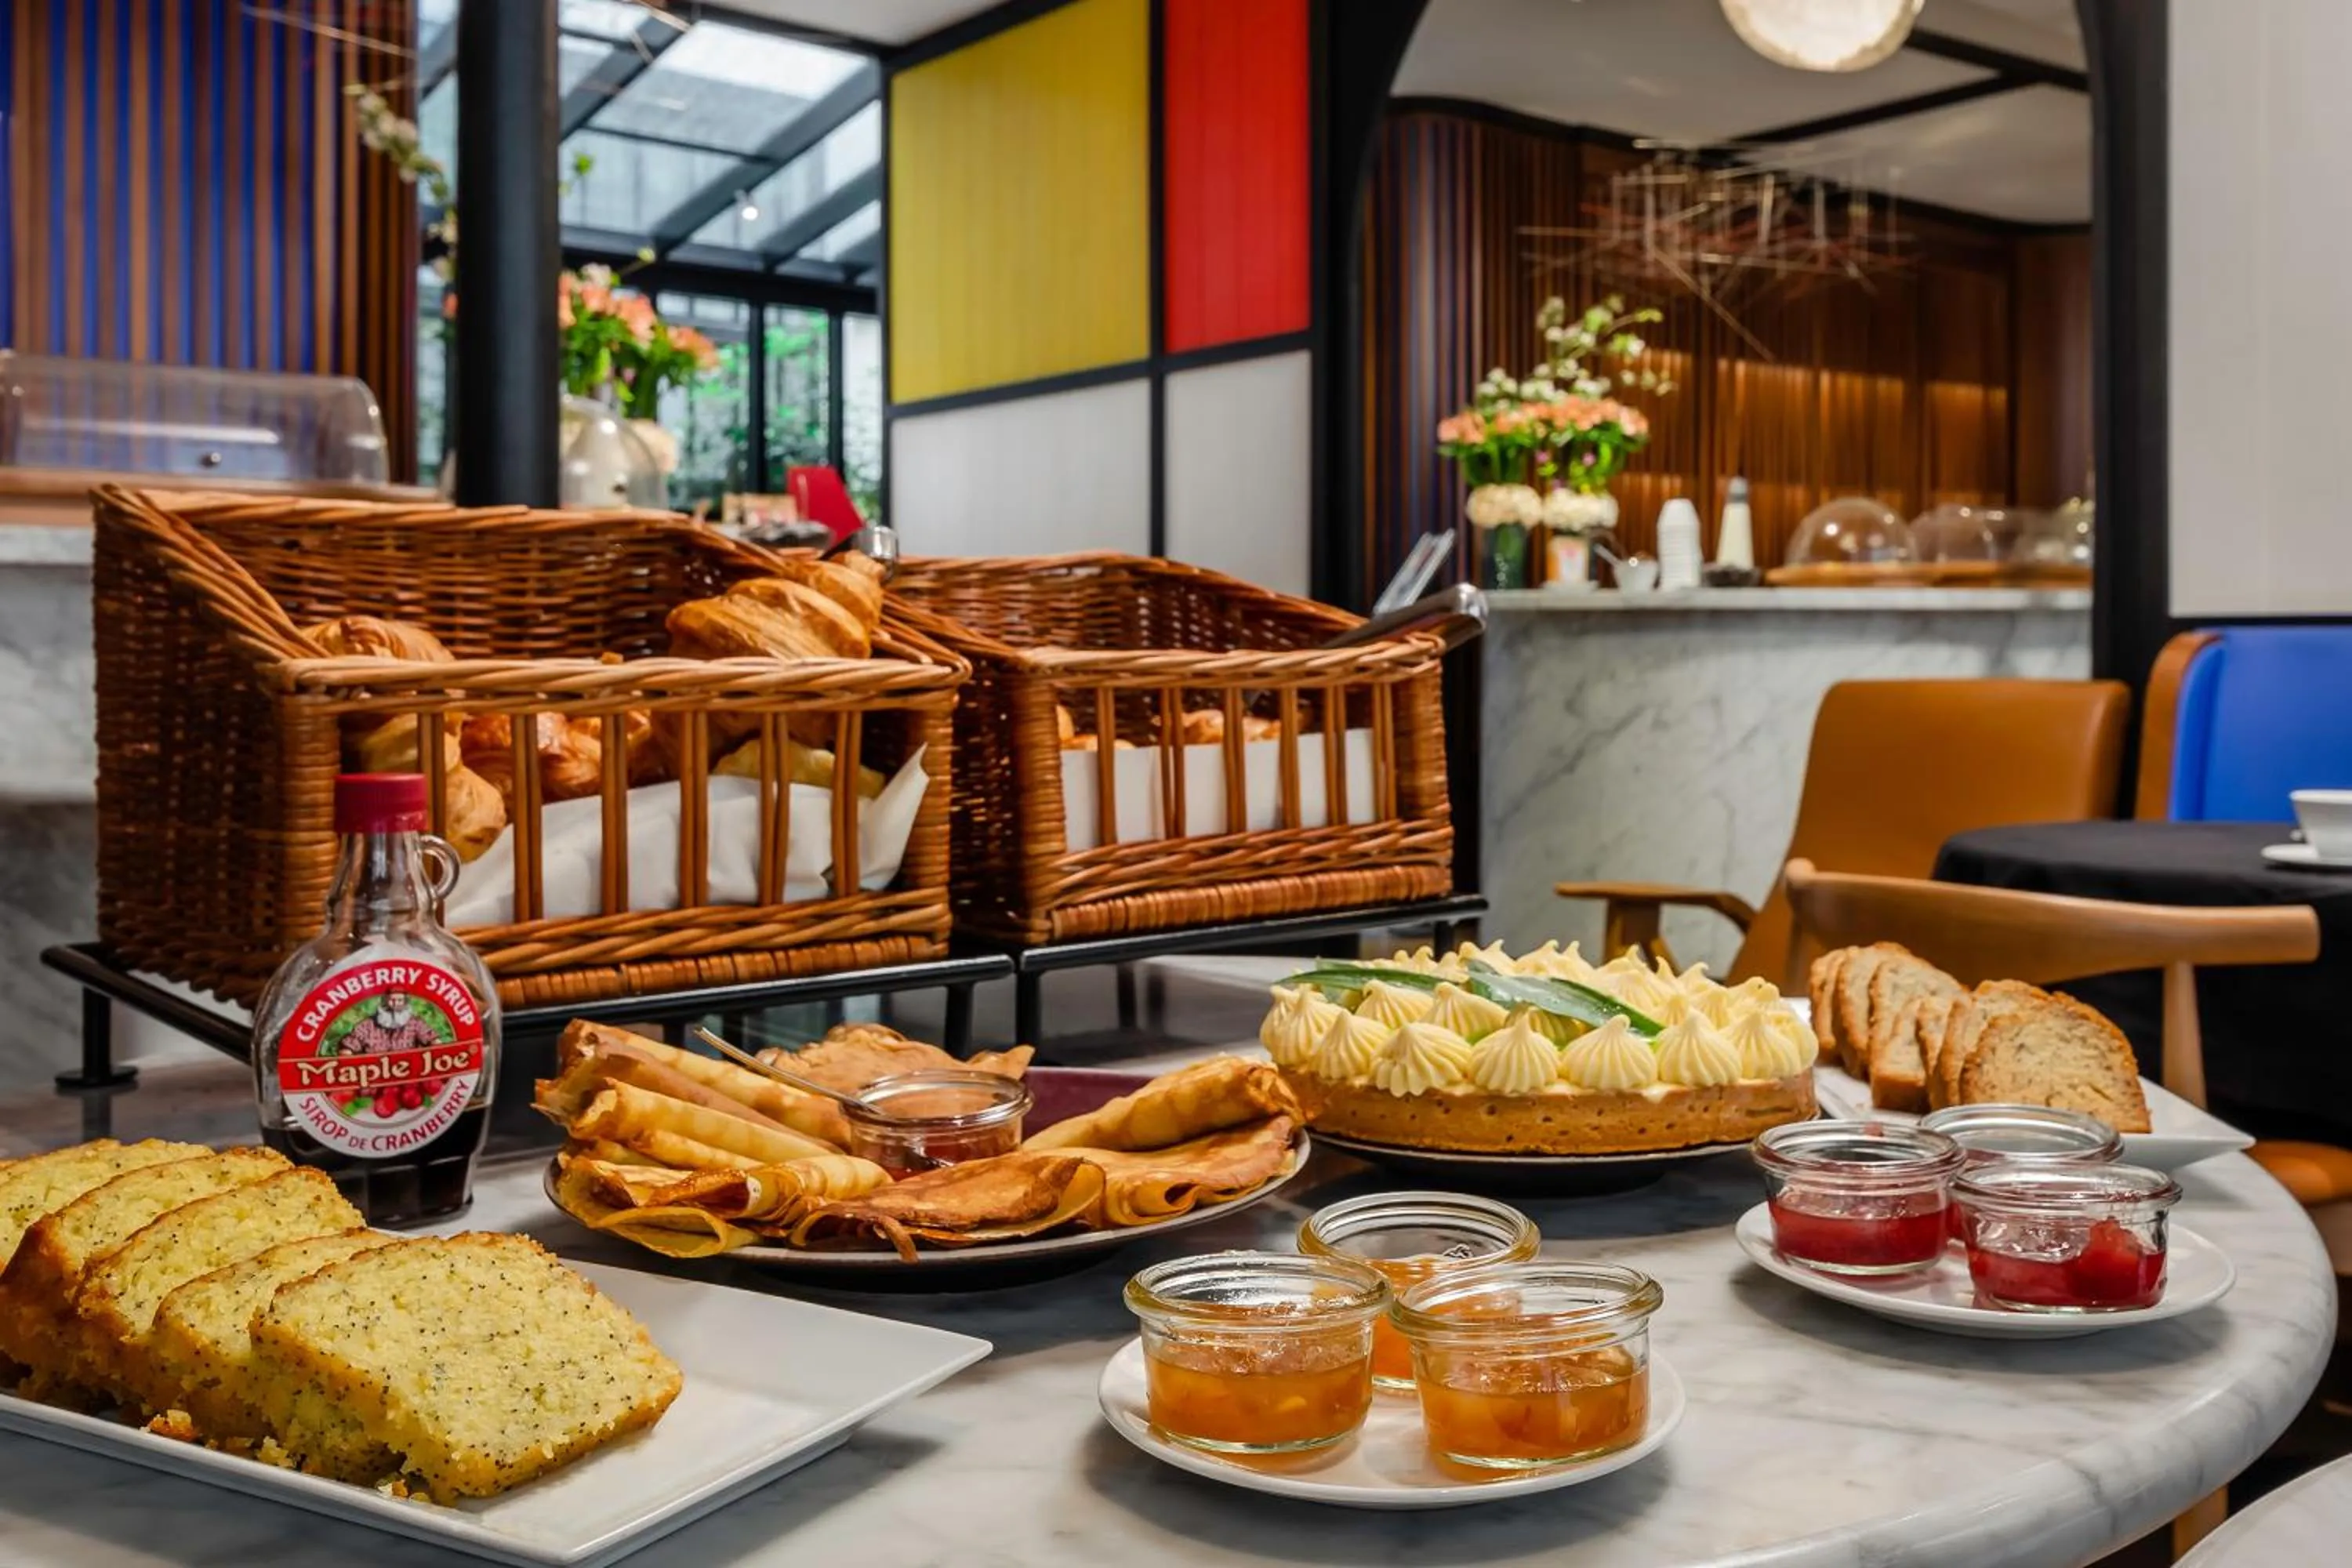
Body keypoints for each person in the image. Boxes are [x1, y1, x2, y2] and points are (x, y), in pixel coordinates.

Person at [347, 989, 443, 1055]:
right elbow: (348, 1048)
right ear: (384, 1001)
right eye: (392, 1000)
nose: (395, 1004)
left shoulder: (415, 1023)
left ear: (405, 1002)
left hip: (410, 1075)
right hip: (375, 1078)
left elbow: (434, 1041)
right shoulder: (368, 1025)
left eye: (400, 1000)